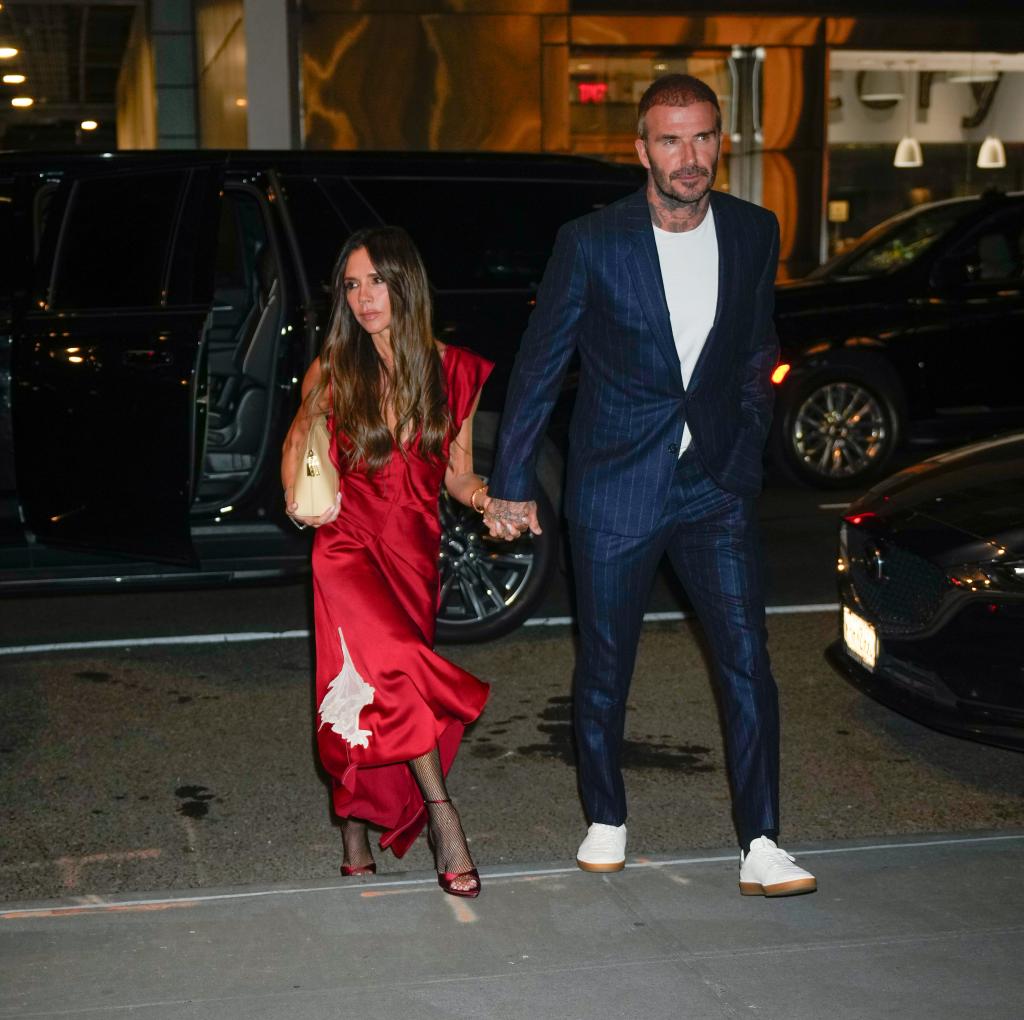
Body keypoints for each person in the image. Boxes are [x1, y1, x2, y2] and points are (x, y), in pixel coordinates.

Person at [481, 74, 816, 897]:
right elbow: (540, 364)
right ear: (642, 150)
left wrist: (744, 443)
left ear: (720, 143)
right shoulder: (593, 242)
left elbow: (753, 350)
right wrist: (512, 481)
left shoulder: (752, 231)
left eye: (703, 137)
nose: (690, 156)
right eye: (671, 140)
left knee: (747, 662)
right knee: (605, 663)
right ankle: (606, 815)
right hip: (617, 487)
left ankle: (763, 839)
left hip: (715, 485)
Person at [281, 225, 492, 898]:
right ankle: (443, 817)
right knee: (396, 671)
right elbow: (296, 445)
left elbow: (458, 476)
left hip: (412, 553)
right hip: (345, 548)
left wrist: (490, 500)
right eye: (353, 285)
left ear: (406, 284)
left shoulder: (457, 371)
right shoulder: (334, 370)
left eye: (377, 281)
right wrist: (299, 499)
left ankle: (351, 821)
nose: (366, 298)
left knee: (360, 696)